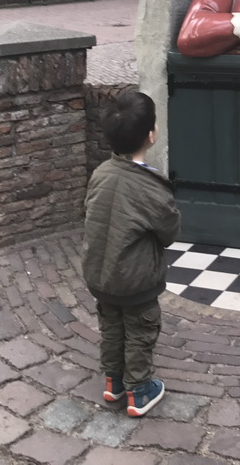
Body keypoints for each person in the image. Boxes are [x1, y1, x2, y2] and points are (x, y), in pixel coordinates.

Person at [82, 90, 181, 417]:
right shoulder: (151, 186)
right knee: (140, 330)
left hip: (100, 273)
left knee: (111, 325)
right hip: (136, 280)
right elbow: (169, 231)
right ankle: (139, 391)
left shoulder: (100, 174)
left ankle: (114, 382)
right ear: (151, 136)